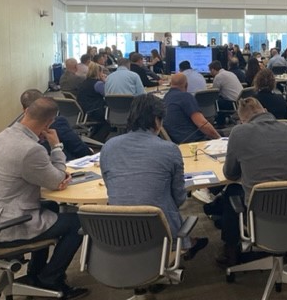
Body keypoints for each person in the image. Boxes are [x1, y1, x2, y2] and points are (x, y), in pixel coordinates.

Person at [0, 98, 88, 298]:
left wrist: (55, 174)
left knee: (53, 207)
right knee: (79, 222)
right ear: (49, 123)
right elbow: (55, 180)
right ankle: (50, 279)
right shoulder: (31, 149)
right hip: (6, 226)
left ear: (26, 112)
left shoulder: (3, 135)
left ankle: (35, 273)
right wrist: (56, 147)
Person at [100, 95, 208, 258]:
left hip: (119, 231)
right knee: (168, 206)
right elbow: (179, 198)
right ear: (157, 120)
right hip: (159, 232)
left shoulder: (108, 147)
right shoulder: (169, 149)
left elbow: (111, 187)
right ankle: (184, 245)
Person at [217, 98, 287, 267]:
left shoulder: (238, 133)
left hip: (262, 216)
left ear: (243, 120)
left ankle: (231, 253)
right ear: (264, 110)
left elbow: (230, 174)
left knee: (232, 192)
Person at [20, 90, 92, 161]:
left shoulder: (17, 131)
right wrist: (90, 155)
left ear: (24, 110)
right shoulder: (57, 122)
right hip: (64, 164)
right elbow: (76, 145)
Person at [163, 73, 220, 143]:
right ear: (186, 85)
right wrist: (219, 139)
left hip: (176, 140)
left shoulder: (166, 98)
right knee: (232, 133)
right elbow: (202, 124)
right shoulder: (185, 97)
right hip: (194, 140)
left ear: (171, 84)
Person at [76, 62, 111, 142]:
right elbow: (109, 94)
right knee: (110, 119)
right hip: (95, 110)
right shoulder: (98, 84)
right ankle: (98, 139)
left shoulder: (84, 82)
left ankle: (93, 138)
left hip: (83, 109)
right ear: (98, 72)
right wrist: (104, 81)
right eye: (102, 72)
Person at [208, 60, 243, 124]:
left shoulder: (218, 77)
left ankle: (220, 123)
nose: (210, 73)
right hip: (239, 101)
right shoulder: (230, 73)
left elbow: (214, 93)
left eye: (210, 71)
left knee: (215, 100)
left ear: (213, 69)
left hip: (232, 103)